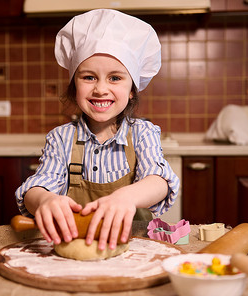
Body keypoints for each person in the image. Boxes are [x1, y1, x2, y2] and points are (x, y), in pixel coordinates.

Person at [15, 9, 180, 252]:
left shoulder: (143, 133)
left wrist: (125, 198)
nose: (101, 89)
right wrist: (45, 200)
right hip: (73, 248)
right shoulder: (62, 139)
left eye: (115, 78)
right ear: (74, 87)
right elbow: (37, 187)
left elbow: (160, 181)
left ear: (132, 89)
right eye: (89, 77)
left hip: (134, 249)